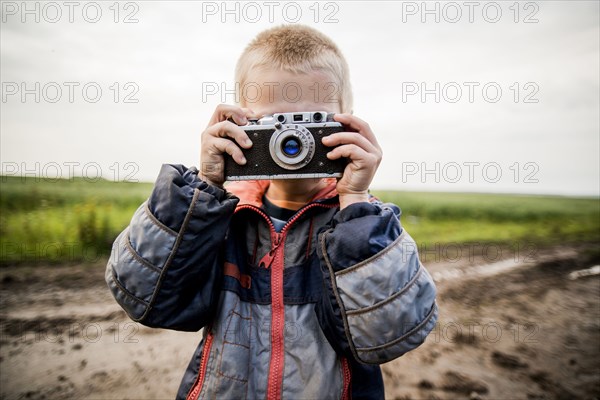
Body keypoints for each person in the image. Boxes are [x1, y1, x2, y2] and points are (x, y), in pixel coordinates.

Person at [106, 24, 438, 400]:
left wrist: (357, 202)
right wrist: (205, 189)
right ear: (239, 123)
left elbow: (389, 334)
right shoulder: (219, 218)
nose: (291, 143)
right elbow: (146, 300)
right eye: (274, 125)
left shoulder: (364, 226)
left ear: (347, 122)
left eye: (312, 122)